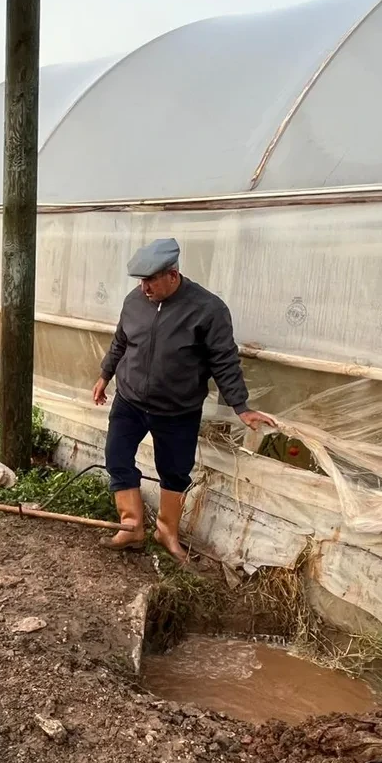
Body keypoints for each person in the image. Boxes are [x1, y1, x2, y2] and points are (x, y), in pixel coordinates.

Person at [93, 238, 271, 561]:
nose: (143, 288)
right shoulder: (134, 302)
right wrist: (105, 375)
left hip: (177, 410)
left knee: (174, 471)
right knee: (117, 457)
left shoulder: (208, 310)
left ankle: (167, 532)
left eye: (150, 281)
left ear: (172, 275)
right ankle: (131, 526)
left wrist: (241, 406)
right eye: (141, 281)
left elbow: (224, 361)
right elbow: (120, 341)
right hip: (130, 401)